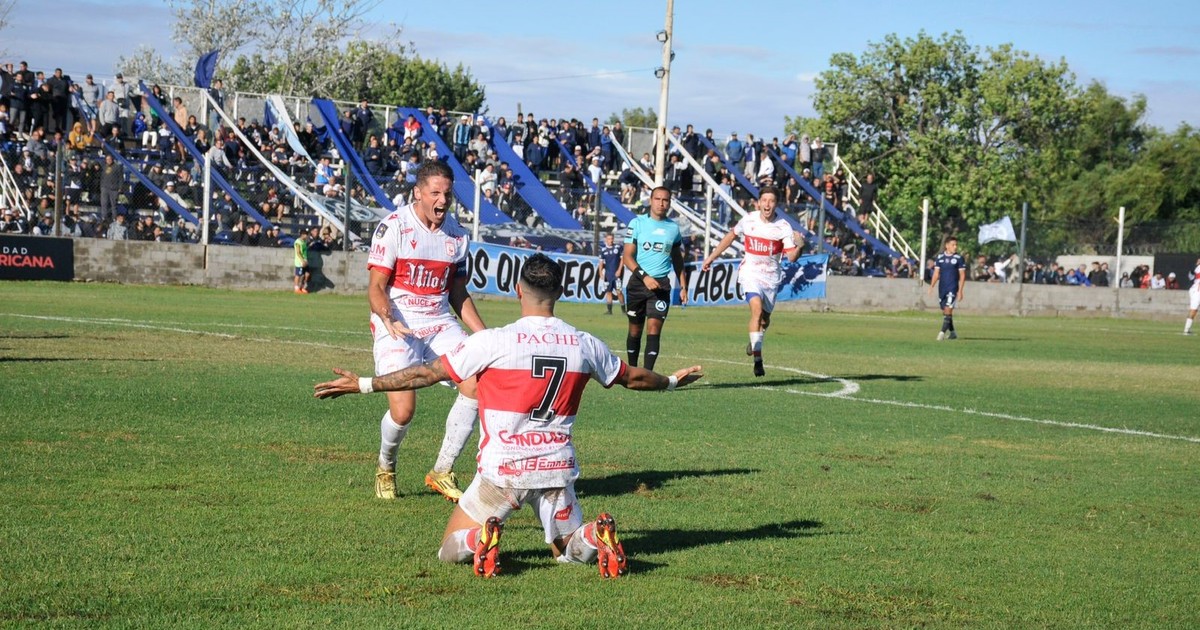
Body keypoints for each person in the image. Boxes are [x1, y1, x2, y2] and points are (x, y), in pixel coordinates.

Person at [314, 253, 704, 578]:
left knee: (448, 549)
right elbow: (632, 377)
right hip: (556, 471)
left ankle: (480, 538)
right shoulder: (584, 344)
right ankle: (592, 536)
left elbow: (424, 374)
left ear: (518, 290)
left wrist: (364, 383)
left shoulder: (492, 342)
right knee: (568, 551)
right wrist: (671, 381)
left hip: (502, 474)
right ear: (560, 292)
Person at [367, 160, 487, 503]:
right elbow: (376, 287)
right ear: (417, 193)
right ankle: (386, 465)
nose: (442, 200)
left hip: (439, 321)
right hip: (398, 322)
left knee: (477, 381)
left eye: (447, 194)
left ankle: (442, 470)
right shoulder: (394, 227)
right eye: (435, 193)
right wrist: (387, 317)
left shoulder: (457, 235)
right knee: (403, 410)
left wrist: (484, 336)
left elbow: (458, 293)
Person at [701, 186, 801, 377]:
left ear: (776, 204)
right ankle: (758, 359)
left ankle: (754, 341)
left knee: (765, 321)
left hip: (771, 278)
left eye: (771, 201)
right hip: (750, 273)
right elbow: (731, 236)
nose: (767, 204)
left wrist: (800, 246)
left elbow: (792, 257)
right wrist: (711, 257)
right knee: (756, 310)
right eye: (764, 200)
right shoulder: (748, 219)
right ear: (758, 203)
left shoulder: (783, 227)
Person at [622, 186, 688, 370]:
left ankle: (647, 375)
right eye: (657, 199)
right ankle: (633, 372)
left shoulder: (673, 229)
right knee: (635, 330)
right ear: (651, 200)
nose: (661, 203)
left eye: (665, 200)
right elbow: (627, 257)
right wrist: (645, 277)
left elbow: (677, 259)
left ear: (670, 203)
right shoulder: (637, 223)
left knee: (654, 329)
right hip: (637, 283)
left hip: (661, 286)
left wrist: (683, 286)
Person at [927, 236, 966, 340]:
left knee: (948, 309)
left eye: (956, 245)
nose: (955, 247)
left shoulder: (959, 258)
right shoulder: (940, 258)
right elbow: (936, 273)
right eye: (953, 245)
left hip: (952, 288)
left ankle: (941, 333)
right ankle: (953, 333)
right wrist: (931, 286)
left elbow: (962, 275)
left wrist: (960, 291)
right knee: (945, 311)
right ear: (947, 245)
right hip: (942, 288)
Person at [597, 232, 624, 315]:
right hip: (608, 275)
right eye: (609, 239)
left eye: (612, 239)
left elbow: (622, 260)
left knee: (619, 292)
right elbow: (601, 263)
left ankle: (624, 310)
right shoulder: (603, 250)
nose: (611, 240)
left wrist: (619, 270)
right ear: (606, 240)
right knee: (608, 292)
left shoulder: (618, 247)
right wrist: (600, 273)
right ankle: (609, 311)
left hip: (616, 274)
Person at [293, 229, 311, 294]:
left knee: (307, 274)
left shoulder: (304, 241)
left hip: (305, 260)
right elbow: (298, 252)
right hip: (300, 262)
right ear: (302, 235)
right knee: (298, 275)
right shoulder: (298, 242)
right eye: (306, 234)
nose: (307, 236)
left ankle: (302, 288)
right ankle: (296, 289)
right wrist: (302, 261)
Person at [1185, 259, 1200, 335]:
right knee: (1193, 310)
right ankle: (1186, 330)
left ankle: (1187, 329)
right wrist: (1197, 264)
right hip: (1197, 291)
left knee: (1194, 310)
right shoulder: (1197, 268)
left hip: (1196, 290)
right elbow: (1192, 271)